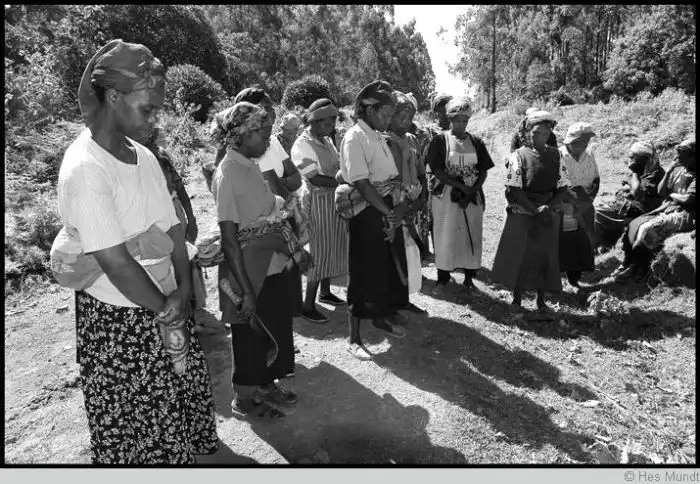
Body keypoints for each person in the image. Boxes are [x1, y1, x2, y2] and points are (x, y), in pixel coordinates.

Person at [53, 39, 218, 463]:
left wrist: (183, 291)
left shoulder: (142, 156)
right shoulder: (85, 168)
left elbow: (173, 227)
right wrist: (168, 307)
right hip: (120, 324)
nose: (154, 118)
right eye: (148, 109)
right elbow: (115, 262)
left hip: (166, 302)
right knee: (142, 433)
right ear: (113, 97)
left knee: (174, 417)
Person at [211, 102, 310, 420]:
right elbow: (230, 238)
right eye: (262, 134)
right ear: (241, 134)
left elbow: (267, 214)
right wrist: (246, 291)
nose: (268, 140)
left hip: (271, 265)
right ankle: (245, 399)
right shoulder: (228, 172)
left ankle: (266, 385)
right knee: (249, 336)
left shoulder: (249, 166)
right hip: (249, 272)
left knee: (272, 328)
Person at [337, 80, 409, 360]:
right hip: (366, 211)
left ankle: (380, 317)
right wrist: (388, 213)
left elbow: (389, 179)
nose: (389, 120)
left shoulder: (378, 136)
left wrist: (396, 209)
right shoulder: (355, 138)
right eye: (385, 114)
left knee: (382, 267)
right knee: (361, 269)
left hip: (384, 207)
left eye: (391, 115)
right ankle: (353, 337)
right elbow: (363, 184)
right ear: (369, 110)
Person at [492, 110, 571, 312]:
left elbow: (563, 187)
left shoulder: (557, 156)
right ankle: (517, 296)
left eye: (544, 133)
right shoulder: (518, 156)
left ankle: (541, 299)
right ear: (528, 133)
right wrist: (535, 211)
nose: (539, 137)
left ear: (549, 134)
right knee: (522, 256)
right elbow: (514, 190)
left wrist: (548, 207)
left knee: (544, 256)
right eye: (535, 133)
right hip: (525, 212)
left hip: (548, 213)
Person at [425, 96, 495, 295]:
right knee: (445, 234)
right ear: (450, 119)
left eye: (464, 120)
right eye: (457, 120)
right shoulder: (440, 140)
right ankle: (443, 278)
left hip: (472, 195)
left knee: (471, 232)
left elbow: (483, 170)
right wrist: (461, 187)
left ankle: (469, 278)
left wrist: (472, 190)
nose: (461, 124)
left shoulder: (476, 142)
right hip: (447, 195)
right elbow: (437, 170)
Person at [290, 98, 350, 323]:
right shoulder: (302, 145)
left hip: (331, 200)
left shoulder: (325, 140)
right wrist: (346, 181)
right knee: (319, 251)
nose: (331, 127)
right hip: (317, 202)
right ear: (314, 121)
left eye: (333, 122)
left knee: (331, 247)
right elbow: (314, 178)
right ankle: (308, 305)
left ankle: (325, 292)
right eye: (327, 122)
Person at [139, 127, 207, 319]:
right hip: (151, 221)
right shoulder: (134, 163)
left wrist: (191, 219)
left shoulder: (162, 157)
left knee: (184, 259)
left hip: (174, 212)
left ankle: (193, 311)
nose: (154, 144)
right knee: (163, 267)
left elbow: (180, 188)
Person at [613, 137, 696, 283]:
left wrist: (672, 195)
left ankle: (639, 268)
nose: (678, 159)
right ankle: (630, 262)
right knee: (635, 224)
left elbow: (687, 199)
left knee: (647, 228)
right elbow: (661, 191)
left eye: (681, 156)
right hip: (669, 207)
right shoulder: (679, 170)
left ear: (692, 157)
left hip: (686, 214)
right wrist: (669, 171)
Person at [383, 91, 428, 313]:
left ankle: (403, 298)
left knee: (408, 252)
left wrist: (421, 196)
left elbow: (420, 171)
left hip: (410, 202)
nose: (406, 122)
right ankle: (389, 301)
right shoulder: (383, 141)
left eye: (410, 118)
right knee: (393, 253)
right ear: (389, 117)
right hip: (391, 205)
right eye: (401, 117)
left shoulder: (411, 140)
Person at [593, 140, 666, 252]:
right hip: (625, 208)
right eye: (630, 156)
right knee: (592, 212)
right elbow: (627, 188)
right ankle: (604, 244)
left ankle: (600, 246)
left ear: (644, 158)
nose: (630, 159)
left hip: (640, 214)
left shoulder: (655, 173)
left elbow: (636, 194)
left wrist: (634, 173)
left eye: (633, 157)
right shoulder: (644, 170)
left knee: (595, 214)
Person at [558, 122, 600, 289]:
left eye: (587, 141)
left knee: (583, 240)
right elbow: (559, 183)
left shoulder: (588, 155)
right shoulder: (559, 156)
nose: (585, 145)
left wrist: (587, 201)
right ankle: (557, 273)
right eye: (582, 141)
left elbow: (596, 179)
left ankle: (574, 277)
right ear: (572, 141)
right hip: (565, 204)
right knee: (566, 239)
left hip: (585, 203)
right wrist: (573, 204)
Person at [412, 92, 453, 260]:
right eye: (441, 111)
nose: (445, 115)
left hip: (454, 183)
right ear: (435, 112)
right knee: (433, 219)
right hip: (434, 183)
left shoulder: (459, 131)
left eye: (448, 110)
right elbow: (423, 159)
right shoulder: (429, 132)